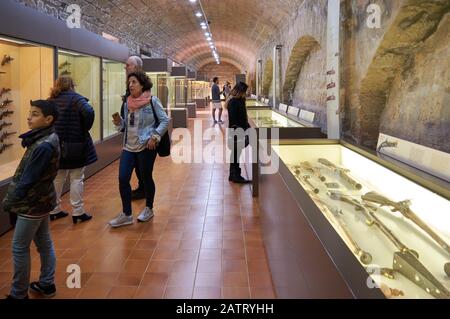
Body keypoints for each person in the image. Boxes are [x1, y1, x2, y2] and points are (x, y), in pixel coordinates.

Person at [2, 100, 60, 299]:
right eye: (30, 113)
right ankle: (47, 284)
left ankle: (18, 294)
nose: (29, 117)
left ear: (48, 119)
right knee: (44, 242)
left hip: (31, 204)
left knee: (19, 247)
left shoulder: (43, 145)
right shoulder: (45, 138)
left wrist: (11, 201)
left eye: (35, 114)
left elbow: (28, 179)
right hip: (42, 201)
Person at [109, 71, 169, 228]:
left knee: (145, 177)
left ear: (142, 84)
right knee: (123, 178)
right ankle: (127, 214)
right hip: (128, 147)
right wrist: (118, 122)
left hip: (146, 146)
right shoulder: (126, 103)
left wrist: (154, 137)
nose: (131, 85)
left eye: (134, 82)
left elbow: (164, 120)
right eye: (129, 83)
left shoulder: (152, 101)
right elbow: (124, 127)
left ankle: (149, 208)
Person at [48, 76, 97, 224]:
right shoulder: (76, 99)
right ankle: (78, 212)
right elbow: (89, 111)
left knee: (58, 178)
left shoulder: (51, 101)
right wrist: (84, 128)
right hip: (76, 144)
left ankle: (54, 210)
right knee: (76, 178)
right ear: (71, 85)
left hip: (55, 145)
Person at [122, 56, 147, 200]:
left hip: (141, 134)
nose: (126, 67)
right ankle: (142, 188)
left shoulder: (144, 88)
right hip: (130, 133)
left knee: (142, 167)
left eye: (128, 65)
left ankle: (144, 191)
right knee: (132, 169)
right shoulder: (130, 85)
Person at [227, 82, 251, 184]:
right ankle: (236, 175)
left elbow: (243, 116)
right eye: (244, 92)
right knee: (236, 153)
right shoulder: (234, 102)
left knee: (236, 153)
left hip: (239, 130)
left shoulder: (240, 100)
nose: (245, 94)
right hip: (237, 131)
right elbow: (234, 119)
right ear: (240, 91)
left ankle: (233, 174)